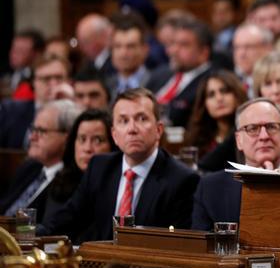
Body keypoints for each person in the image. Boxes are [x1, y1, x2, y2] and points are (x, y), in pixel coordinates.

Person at [40, 88, 200, 243]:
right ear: (114, 135)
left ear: (158, 130)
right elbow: (65, 221)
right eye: (124, 121)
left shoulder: (182, 180)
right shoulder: (99, 167)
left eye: (142, 119)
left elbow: (178, 245)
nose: (132, 129)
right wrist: (23, 233)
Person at [191, 99, 280, 231]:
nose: (264, 136)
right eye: (252, 128)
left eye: (271, 127)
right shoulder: (210, 188)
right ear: (239, 141)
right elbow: (201, 248)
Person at [0, 100, 82, 222]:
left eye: (42, 131)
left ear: (67, 138)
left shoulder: (72, 181)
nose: (32, 137)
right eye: (33, 129)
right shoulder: (30, 167)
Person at [42, 109, 118, 231]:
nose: (87, 148)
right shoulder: (61, 180)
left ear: (113, 145)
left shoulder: (116, 190)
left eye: (97, 140)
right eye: (82, 139)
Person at [146, 18, 213, 127]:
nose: (174, 50)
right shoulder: (160, 75)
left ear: (204, 53)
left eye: (184, 45)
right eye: (173, 43)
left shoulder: (211, 82)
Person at [0, 55, 73, 149]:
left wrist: (71, 104)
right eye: (46, 79)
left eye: (59, 78)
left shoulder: (75, 112)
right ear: (34, 82)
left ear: (69, 81)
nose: (54, 84)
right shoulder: (10, 111)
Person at [185, 70, 247, 158]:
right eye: (211, 95)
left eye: (224, 91)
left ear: (237, 95)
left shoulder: (249, 134)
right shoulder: (197, 140)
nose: (219, 98)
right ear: (204, 104)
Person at [107, 11, 151, 99]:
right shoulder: (106, 86)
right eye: (117, 46)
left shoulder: (155, 83)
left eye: (131, 46)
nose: (123, 53)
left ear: (145, 50)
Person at [232, 23, 274, 99]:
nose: (241, 54)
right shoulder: (230, 81)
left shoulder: (275, 83)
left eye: (248, 47)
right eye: (237, 47)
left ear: (267, 48)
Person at [7, 29, 45, 99]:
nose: (13, 54)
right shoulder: (12, 73)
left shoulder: (39, 77)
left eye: (20, 50)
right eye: (13, 49)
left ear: (36, 54)